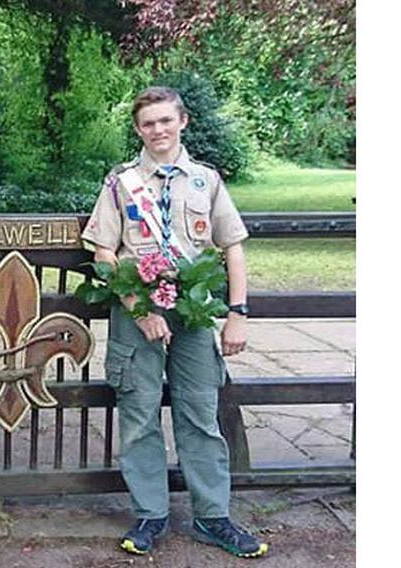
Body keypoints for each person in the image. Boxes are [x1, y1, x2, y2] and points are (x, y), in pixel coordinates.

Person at [81, 86, 269, 559]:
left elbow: (232, 247)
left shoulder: (205, 181)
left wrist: (237, 315)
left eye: (166, 120)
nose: (158, 130)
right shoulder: (120, 182)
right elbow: (104, 251)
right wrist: (141, 310)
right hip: (136, 311)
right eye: (148, 123)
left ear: (182, 121)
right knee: (139, 415)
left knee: (200, 415)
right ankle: (150, 514)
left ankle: (213, 516)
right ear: (138, 129)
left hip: (195, 311)